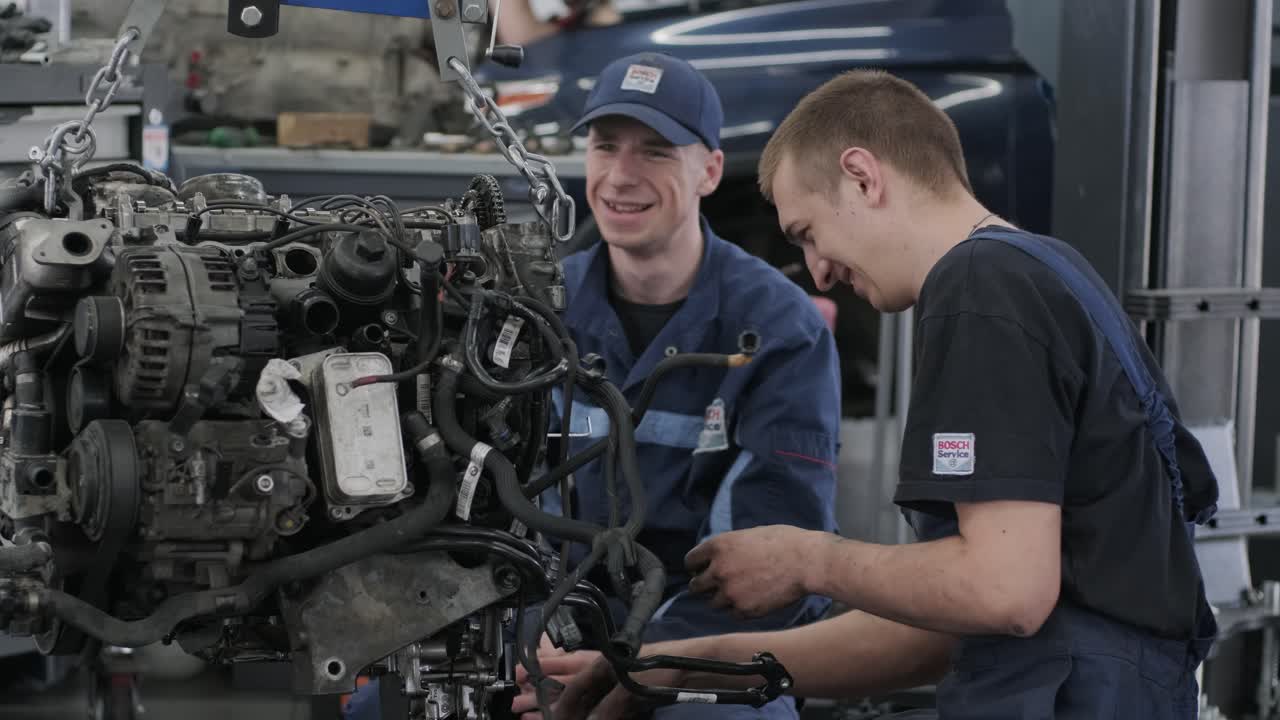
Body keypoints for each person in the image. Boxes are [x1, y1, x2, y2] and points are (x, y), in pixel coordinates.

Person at [548, 69, 1222, 720]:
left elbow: (1004, 591)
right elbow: (945, 624)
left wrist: (809, 558)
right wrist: (690, 662)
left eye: (807, 233)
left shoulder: (979, 289)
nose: (818, 271)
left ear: (863, 177)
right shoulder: (1040, 271)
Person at [508, 51, 842, 720]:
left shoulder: (779, 329)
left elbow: (772, 567)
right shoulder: (531, 311)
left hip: (705, 647)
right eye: (606, 147)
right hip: (545, 638)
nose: (621, 176)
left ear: (710, 170)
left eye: (656, 151)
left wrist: (625, 670)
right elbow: (487, 514)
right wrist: (529, 641)